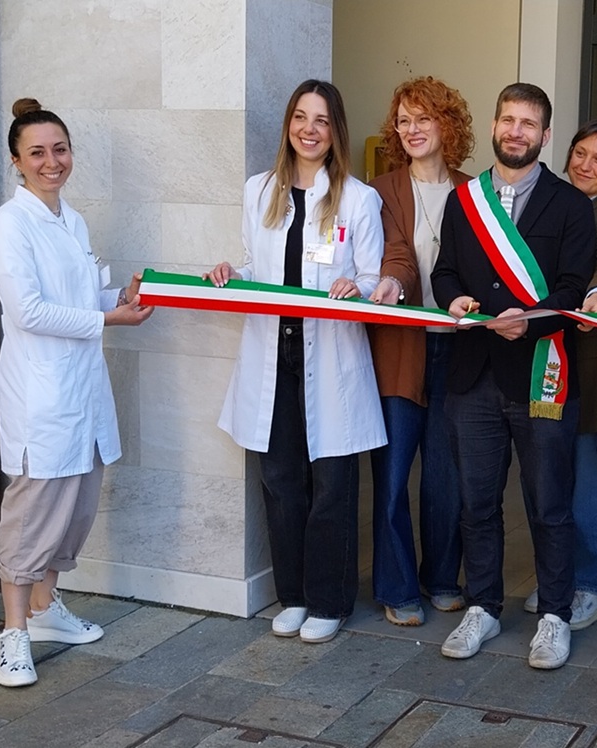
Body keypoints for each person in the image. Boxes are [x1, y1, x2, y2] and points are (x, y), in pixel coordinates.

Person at [206, 79, 385, 645]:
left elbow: (373, 276)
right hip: (272, 354)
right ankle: (295, 596)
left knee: (331, 483)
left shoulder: (358, 199)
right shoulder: (259, 190)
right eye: (301, 118)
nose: (310, 129)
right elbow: (252, 266)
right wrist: (230, 273)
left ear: (336, 132)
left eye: (322, 120)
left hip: (330, 354)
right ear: (288, 125)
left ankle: (330, 601)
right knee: (281, 481)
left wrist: (357, 286)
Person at [0, 98, 154, 687]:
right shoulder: (8, 225)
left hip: (83, 389)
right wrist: (108, 319)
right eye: (37, 152)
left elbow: (83, 298)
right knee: (32, 515)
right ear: (16, 161)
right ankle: (12, 635)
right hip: (43, 396)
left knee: (77, 506)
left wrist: (121, 299)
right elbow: (28, 311)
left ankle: (45, 609)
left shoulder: (71, 220)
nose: (51, 161)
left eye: (60, 149)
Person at [431, 83, 596, 669]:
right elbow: (444, 272)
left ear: (545, 135)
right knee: (476, 504)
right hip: (473, 375)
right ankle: (484, 606)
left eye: (528, 123)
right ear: (495, 125)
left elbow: (573, 287)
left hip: (541, 374)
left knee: (550, 505)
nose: (516, 131)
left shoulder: (570, 204)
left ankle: (554, 615)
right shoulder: (464, 200)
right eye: (508, 120)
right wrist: (453, 300)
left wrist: (528, 321)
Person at [365, 77, 474, 627]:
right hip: (398, 350)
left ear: (446, 125)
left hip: (459, 352)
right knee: (391, 477)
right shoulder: (380, 191)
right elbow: (396, 255)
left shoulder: (475, 191)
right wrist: (390, 281)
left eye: (423, 118)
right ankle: (397, 586)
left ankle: (442, 578)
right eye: (403, 120)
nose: (412, 129)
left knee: (446, 479)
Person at [523, 118, 597, 629]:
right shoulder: (553, 200)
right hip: (548, 353)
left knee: (592, 475)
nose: (586, 165)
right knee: (553, 475)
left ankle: (590, 585)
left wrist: (593, 293)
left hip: (593, 360)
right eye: (580, 153)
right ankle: (558, 579)